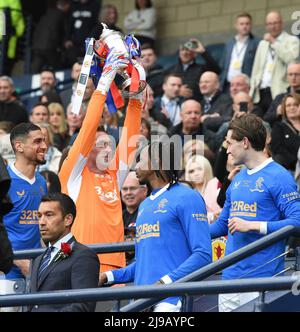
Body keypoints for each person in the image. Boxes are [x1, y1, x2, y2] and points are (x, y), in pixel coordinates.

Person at [99, 140, 212, 312]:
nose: (136, 165)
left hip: (171, 300)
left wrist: (164, 282)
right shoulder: (144, 205)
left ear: (156, 162)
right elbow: (143, 263)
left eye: (140, 160)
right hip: (140, 300)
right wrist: (107, 276)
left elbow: (203, 255)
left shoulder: (188, 197)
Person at [59, 53, 141, 272]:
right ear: (88, 150)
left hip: (116, 264)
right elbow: (87, 130)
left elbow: (131, 138)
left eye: (110, 144)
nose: (109, 149)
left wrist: (136, 100)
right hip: (81, 264)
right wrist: (103, 83)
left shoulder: (113, 174)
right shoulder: (73, 173)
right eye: (101, 144)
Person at [210, 114, 300, 312]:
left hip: (262, 279)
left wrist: (253, 225)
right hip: (229, 279)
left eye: (229, 143)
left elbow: (298, 221)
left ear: (244, 142)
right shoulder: (238, 178)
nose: (227, 149)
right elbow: (222, 224)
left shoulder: (279, 176)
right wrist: (186, 229)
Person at [29, 193, 99, 312]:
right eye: (39, 216)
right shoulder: (38, 259)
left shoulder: (84, 256)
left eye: (49, 215)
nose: (41, 222)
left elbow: (83, 306)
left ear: (68, 219)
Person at [3, 123, 48, 281]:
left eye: (44, 140)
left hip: (37, 268)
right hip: (8, 273)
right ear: (19, 146)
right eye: (37, 141)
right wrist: (19, 262)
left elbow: (41, 230)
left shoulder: (42, 182)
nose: (44, 146)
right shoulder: (4, 182)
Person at [250, 11, 300, 114]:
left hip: (278, 91)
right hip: (260, 93)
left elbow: (291, 60)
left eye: (275, 23)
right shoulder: (262, 44)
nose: (272, 26)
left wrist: (274, 42)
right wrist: (252, 91)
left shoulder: (292, 40)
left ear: (282, 23)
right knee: (255, 124)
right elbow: (256, 69)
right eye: (269, 23)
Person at [220, 12, 260, 92]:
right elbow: (222, 65)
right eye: (241, 24)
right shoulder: (229, 43)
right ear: (236, 25)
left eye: (247, 24)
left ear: (251, 25)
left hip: (245, 87)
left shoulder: (257, 43)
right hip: (228, 86)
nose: (244, 26)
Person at [264, 61, 300, 126]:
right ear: (287, 76)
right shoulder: (280, 97)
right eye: (290, 74)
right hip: (281, 132)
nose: (293, 77)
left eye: (297, 74)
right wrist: (277, 112)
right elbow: (266, 119)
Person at [271, 93, 300, 172]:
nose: (292, 108)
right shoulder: (278, 127)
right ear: (284, 108)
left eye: (295, 104)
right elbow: (278, 149)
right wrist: (297, 162)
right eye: (288, 105)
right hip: (290, 170)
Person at [0, 0, 25, 75]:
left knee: (4, 71)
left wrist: (8, 26)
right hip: (5, 39)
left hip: (6, 45)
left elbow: (15, 14)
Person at [121, 171, 147, 238]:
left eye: (133, 188)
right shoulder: (117, 218)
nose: (128, 193)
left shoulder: (150, 214)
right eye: (124, 189)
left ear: (145, 191)